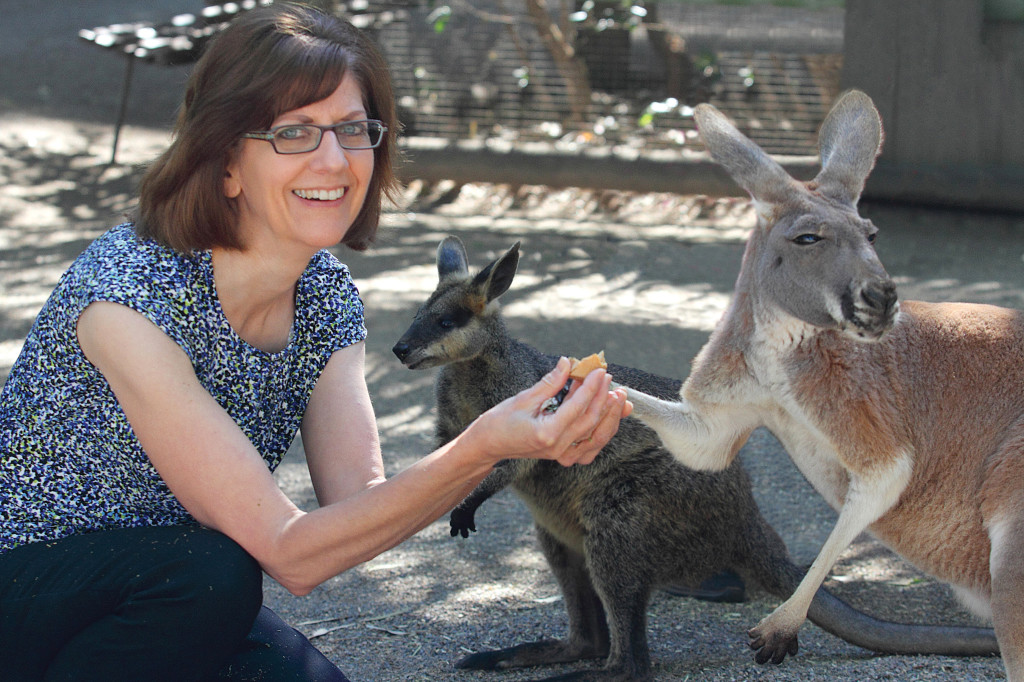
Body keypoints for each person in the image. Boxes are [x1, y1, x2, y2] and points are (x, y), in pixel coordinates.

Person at [0, 4, 631, 680]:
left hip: (157, 601)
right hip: (34, 589)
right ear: (226, 162)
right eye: (294, 132)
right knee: (214, 574)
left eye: (351, 129)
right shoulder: (128, 297)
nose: (333, 159)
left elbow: (358, 509)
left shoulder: (324, 293)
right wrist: (483, 446)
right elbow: (290, 553)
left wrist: (508, 444)